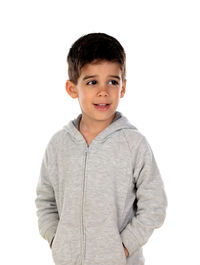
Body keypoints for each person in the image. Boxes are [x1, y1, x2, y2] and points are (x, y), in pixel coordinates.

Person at [35, 32, 167, 265]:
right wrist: (56, 240)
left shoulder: (134, 144)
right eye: (92, 82)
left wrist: (123, 247)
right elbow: (46, 200)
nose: (103, 91)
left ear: (123, 88)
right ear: (72, 88)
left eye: (112, 82)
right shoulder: (58, 145)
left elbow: (154, 205)